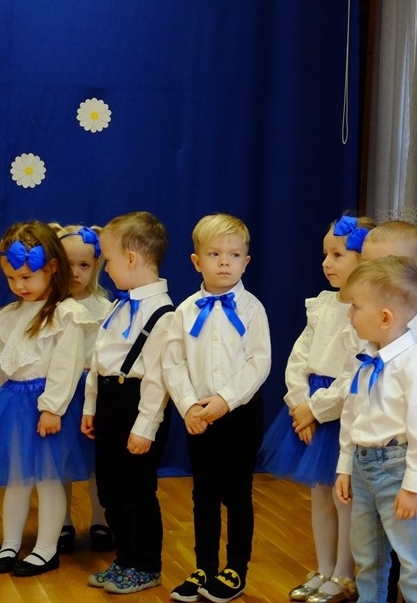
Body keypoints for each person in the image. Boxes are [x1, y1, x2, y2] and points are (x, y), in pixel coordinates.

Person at [0, 221, 97, 577]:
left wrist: (52, 408)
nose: (19, 285)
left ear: (52, 267)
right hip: (12, 405)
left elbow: (67, 365)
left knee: (48, 478)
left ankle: (46, 548)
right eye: (12, 278)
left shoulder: (66, 314)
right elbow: (0, 364)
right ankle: (10, 543)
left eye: (27, 277)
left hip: (47, 408)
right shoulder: (9, 316)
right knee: (17, 479)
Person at [260, 215, 374, 603]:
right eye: (325, 254)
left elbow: (354, 373)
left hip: (339, 412)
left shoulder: (363, 311)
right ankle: (324, 568)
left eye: (337, 254)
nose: (326, 262)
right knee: (320, 494)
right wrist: (298, 403)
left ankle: (344, 573)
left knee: (344, 496)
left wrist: (315, 410)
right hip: (311, 405)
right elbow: (299, 357)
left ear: (363, 259)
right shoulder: (323, 304)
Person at [163, 213, 271, 603]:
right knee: (204, 494)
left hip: (240, 414)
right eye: (214, 254)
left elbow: (259, 362)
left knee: (237, 493)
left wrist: (226, 399)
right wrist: (189, 406)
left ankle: (235, 569)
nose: (224, 262)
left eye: (234, 254)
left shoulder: (253, 309)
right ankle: (204, 566)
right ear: (197, 262)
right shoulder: (184, 311)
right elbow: (173, 363)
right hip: (200, 417)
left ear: (246, 261)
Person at [334, 256, 417, 603]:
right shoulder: (368, 359)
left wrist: (411, 487)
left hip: (399, 470)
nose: (350, 314)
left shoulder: (416, 367)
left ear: (384, 318)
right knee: (368, 558)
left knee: (415, 562)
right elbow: (353, 414)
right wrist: (345, 465)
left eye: (356, 306)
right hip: (364, 467)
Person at [82, 211, 174, 594]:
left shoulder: (164, 314)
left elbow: (158, 381)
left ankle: (146, 564)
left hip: (137, 408)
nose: (106, 269)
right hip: (109, 402)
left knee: (136, 491)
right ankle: (125, 558)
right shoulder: (118, 305)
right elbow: (98, 359)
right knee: (109, 489)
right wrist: (90, 406)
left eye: (108, 260)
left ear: (132, 258)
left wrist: (144, 428)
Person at [360, 220, 417, 603]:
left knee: (410, 547)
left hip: (411, 451)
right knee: (375, 548)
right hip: (375, 450)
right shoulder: (372, 318)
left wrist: (415, 470)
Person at [54, 223, 113, 554]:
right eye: (68, 265)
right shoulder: (50, 307)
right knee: (57, 462)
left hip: (93, 395)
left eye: (84, 265)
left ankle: (101, 520)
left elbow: (109, 351)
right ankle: (61, 523)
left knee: (97, 464)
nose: (75, 273)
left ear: (97, 265)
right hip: (59, 394)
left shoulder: (105, 307)